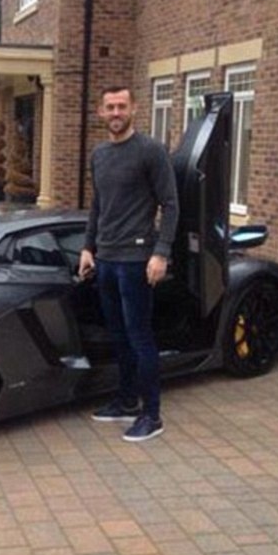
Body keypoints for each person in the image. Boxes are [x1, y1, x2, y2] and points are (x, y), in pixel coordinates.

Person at [78, 85, 179, 442]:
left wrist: (161, 252)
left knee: (139, 337)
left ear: (134, 108)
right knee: (118, 336)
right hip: (105, 259)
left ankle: (152, 415)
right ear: (101, 112)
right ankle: (126, 401)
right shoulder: (99, 154)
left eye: (122, 106)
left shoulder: (150, 150)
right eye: (110, 107)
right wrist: (87, 247)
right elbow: (98, 205)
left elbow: (170, 204)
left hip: (136, 261)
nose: (116, 112)